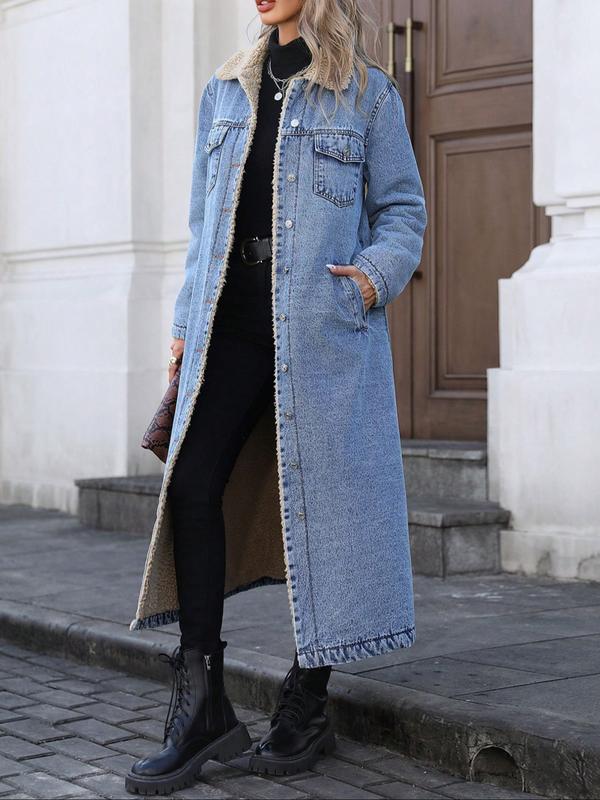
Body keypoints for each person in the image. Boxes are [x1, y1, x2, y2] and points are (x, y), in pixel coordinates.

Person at [126, 0, 427, 795]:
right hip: (229, 322)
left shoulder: (366, 94)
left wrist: (370, 280)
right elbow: (203, 226)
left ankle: (307, 700)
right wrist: (185, 324)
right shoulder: (225, 90)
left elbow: (403, 211)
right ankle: (203, 707)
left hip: (319, 329)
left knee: (322, 506)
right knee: (192, 486)